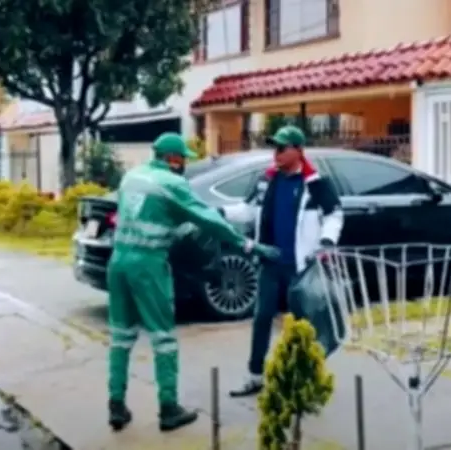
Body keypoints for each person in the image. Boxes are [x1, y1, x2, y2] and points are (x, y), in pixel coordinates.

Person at [106, 132, 279, 432]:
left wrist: (178, 228)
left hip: (118, 262)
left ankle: (116, 405)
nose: (184, 163)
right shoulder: (172, 183)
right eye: (182, 158)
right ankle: (169, 408)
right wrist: (248, 245)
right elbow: (207, 219)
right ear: (172, 158)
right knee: (163, 339)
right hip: (148, 265)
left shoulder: (131, 177)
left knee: (121, 337)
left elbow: (148, 218)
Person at [223, 125, 344, 397]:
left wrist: (326, 241)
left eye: (281, 148)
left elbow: (335, 214)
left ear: (298, 151)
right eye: (274, 148)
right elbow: (246, 210)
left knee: (303, 323)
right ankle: (255, 375)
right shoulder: (267, 181)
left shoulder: (315, 184)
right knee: (262, 318)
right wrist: (220, 213)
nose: (275, 153)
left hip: (300, 268)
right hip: (270, 263)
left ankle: (305, 376)